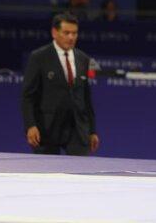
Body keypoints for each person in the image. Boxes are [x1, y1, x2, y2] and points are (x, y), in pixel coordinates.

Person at [21, 13, 99, 156]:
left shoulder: (83, 59)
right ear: (54, 32)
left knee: (80, 168)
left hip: (77, 129)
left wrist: (92, 130)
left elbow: (86, 98)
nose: (71, 37)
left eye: (74, 33)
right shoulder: (39, 57)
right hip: (47, 128)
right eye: (66, 33)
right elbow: (28, 96)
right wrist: (30, 125)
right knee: (47, 170)